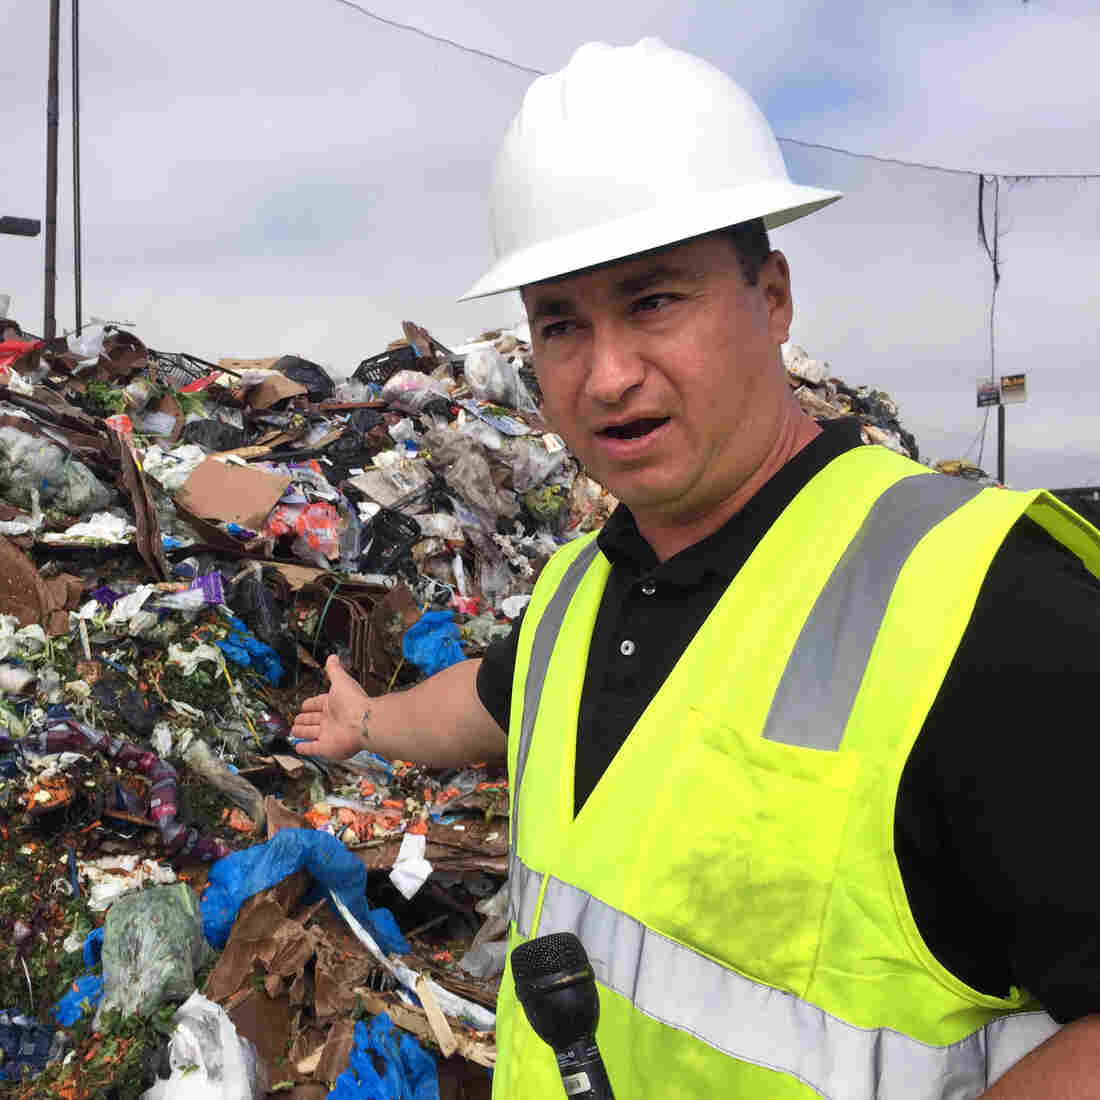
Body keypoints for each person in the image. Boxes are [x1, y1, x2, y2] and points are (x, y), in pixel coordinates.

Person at [293, 39, 1100, 1099]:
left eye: (654, 300)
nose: (608, 372)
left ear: (770, 298)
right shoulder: (585, 587)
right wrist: (366, 723)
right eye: (561, 323)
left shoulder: (983, 599)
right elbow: (493, 702)